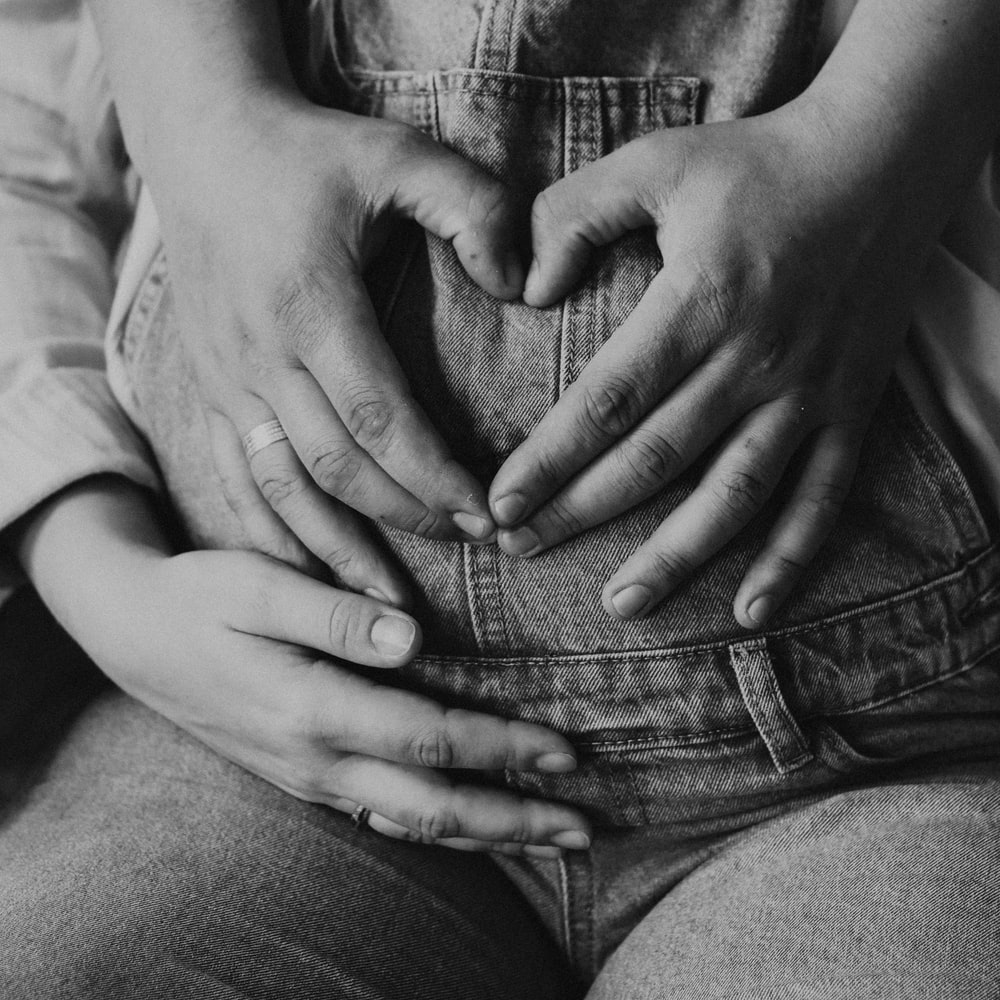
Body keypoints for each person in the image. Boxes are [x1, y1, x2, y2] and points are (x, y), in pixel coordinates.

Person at [1, 0, 1000, 996]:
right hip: (255, 731)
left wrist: (895, 128)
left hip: (871, 759)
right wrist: (94, 569)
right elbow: (23, 117)